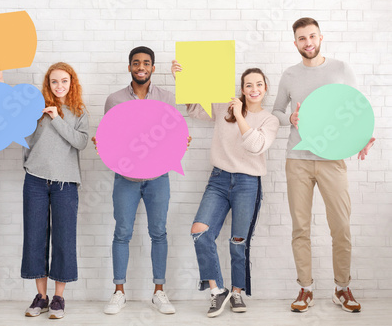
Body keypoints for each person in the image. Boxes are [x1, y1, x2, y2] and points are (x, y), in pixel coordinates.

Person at [272, 17, 375, 313]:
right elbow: (277, 110)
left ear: (320, 37)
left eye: (312, 36)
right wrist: (288, 119)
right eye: (302, 38)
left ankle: (342, 288)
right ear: (295, 43)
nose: (308, 43)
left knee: (341, 227)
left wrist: (363, 138)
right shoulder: (290, 75)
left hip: (333, 160)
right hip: (298, 160)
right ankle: (305, 288)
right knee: (300, 228)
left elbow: (355, 107)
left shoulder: (340, 69)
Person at [173, 63, 279, 317]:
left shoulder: (269, 119)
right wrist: (182, 81)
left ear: (265, 89)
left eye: (259, 85)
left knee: (238, 242)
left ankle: (237, 293)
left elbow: (255, 146)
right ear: (241, 88)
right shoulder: (224, 107)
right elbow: (196, 110)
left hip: (248, 182)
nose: (254, 89)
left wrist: (240, 114)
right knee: (200, 231)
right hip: (219, 180)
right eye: (248, 85)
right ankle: (217, 291)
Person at [0, 62, 89, 319]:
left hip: (65, 183)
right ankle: (41, 297)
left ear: (72, 82)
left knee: (64, 239)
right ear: (48, 84)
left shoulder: (79, 111)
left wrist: (57, 118)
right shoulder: (37, 109)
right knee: (34, 237)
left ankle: (58, 298)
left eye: (64, 81)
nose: (59, 86)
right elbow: (15, 120)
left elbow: (81, 142)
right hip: (35, 181)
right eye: (54, 81)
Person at [95, 46, 184, 315]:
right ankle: (119, 292)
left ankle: (159, 291)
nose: (141, 67)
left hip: (158, 177)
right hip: (125, 178)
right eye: (136, 63)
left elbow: (173, 133)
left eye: (146, 63)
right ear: (130, 67)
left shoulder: (168, 98)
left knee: (159, 233)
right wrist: (101, 144)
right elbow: (110, 138)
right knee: (122, 233)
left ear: (153, 68)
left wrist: (181, 142)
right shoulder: (114, 99)